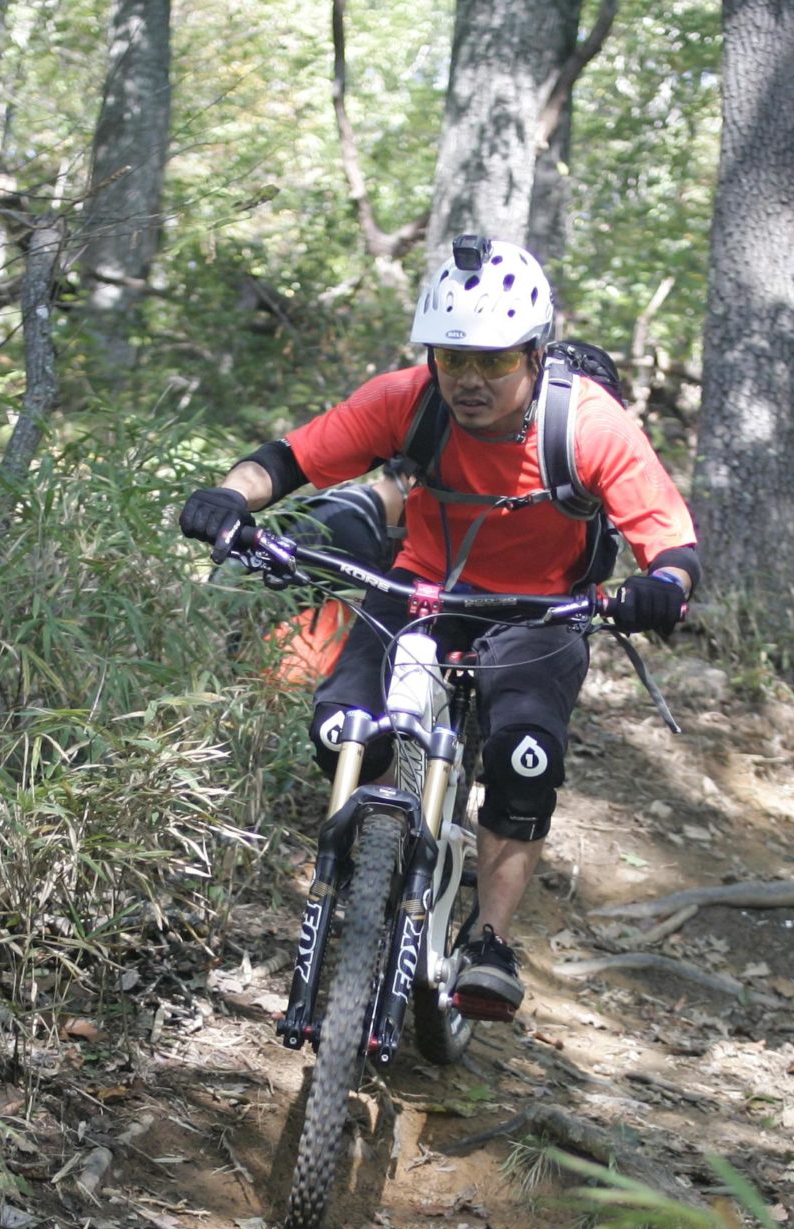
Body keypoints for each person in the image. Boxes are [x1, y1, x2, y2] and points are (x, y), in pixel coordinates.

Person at [178, 236, 701, 1024]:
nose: (468, 380)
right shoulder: (407, 399)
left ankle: (489, 938)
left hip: (542, 610)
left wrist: (663, 583)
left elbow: (669, 537)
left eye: (492, 361)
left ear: (535, 352)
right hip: (416, 588)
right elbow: (291, 458)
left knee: (527, 760)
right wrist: (228, 497)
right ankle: (369, 877)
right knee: (340, 729)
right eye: (452, 359)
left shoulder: (587, 423)